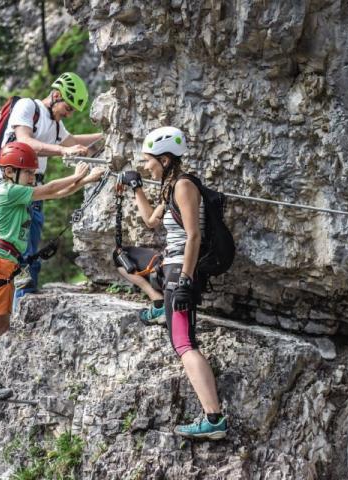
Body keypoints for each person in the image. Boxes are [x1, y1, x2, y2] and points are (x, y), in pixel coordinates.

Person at [0, 142, 104, 400]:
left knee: (2, 323)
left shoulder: (19, 189)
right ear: (8, 172)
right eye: (27, 172)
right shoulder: (8, 191)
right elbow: (49, 188)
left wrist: (87, 180)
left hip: (6, 262)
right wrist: (77, 175)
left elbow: (55, 194)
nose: (31, 177)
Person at [118, 126, 228, 440]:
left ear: (166, 159)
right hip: (173, 268)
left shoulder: (183, 186)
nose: (147, 166)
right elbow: (151, 221)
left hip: (181, 270)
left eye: (150, 161)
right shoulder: (170, 187)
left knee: (184, 343)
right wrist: (137, 188)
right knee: (123, 258)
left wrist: (184, 280)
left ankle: (214, 419)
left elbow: (193, 235)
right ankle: (160, 308)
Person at [0, 72, 103, 307]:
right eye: (68, 108)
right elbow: (25, 142)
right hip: (9, 182)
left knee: (32, 242)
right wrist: (62, 152)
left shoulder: (57, 126)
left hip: (32, 185)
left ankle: (24, 297)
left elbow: (75, 142)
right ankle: (17, 301)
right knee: (19, 244)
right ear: (56, 95)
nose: (68, 114)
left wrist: (107, 135)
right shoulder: (27, 107)